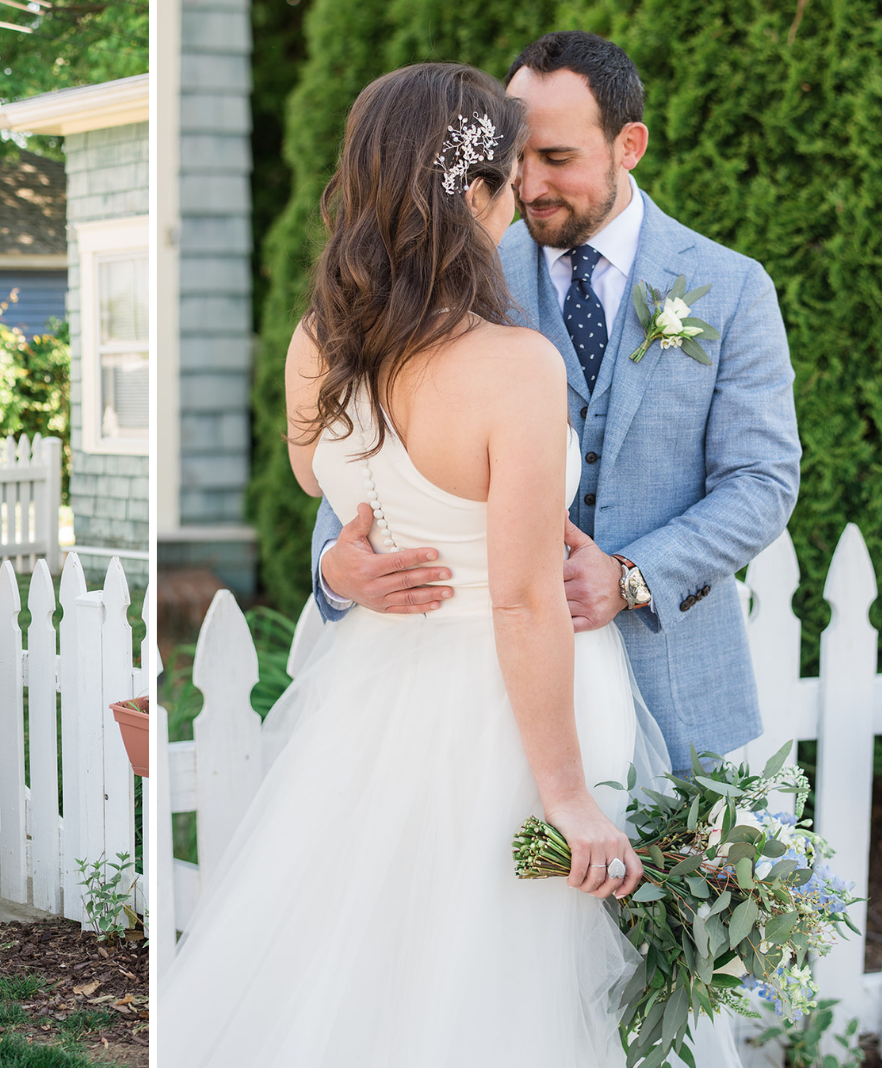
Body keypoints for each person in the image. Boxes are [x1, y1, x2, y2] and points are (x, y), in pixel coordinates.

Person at [159, 63, 672, 1067]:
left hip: (376, 697)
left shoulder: (320, 343)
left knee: (376, 967)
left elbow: (326, 481)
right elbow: (523, 602)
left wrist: (376, 549)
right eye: (509, 178)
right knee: (504, 979)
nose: (522, 198)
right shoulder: (512, 365)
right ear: (472, 196)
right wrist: (566, 796)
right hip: (505, 702)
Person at [312, 32, 800, 774]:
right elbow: (371, 443)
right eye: (517, 157)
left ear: (628, 144)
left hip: (676, 683)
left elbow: (763, 481)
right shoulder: (448, 276)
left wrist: (631, 574)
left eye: (558, 158)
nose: (528, 183)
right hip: (486, 703)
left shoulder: (731, 288)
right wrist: (332, 568)